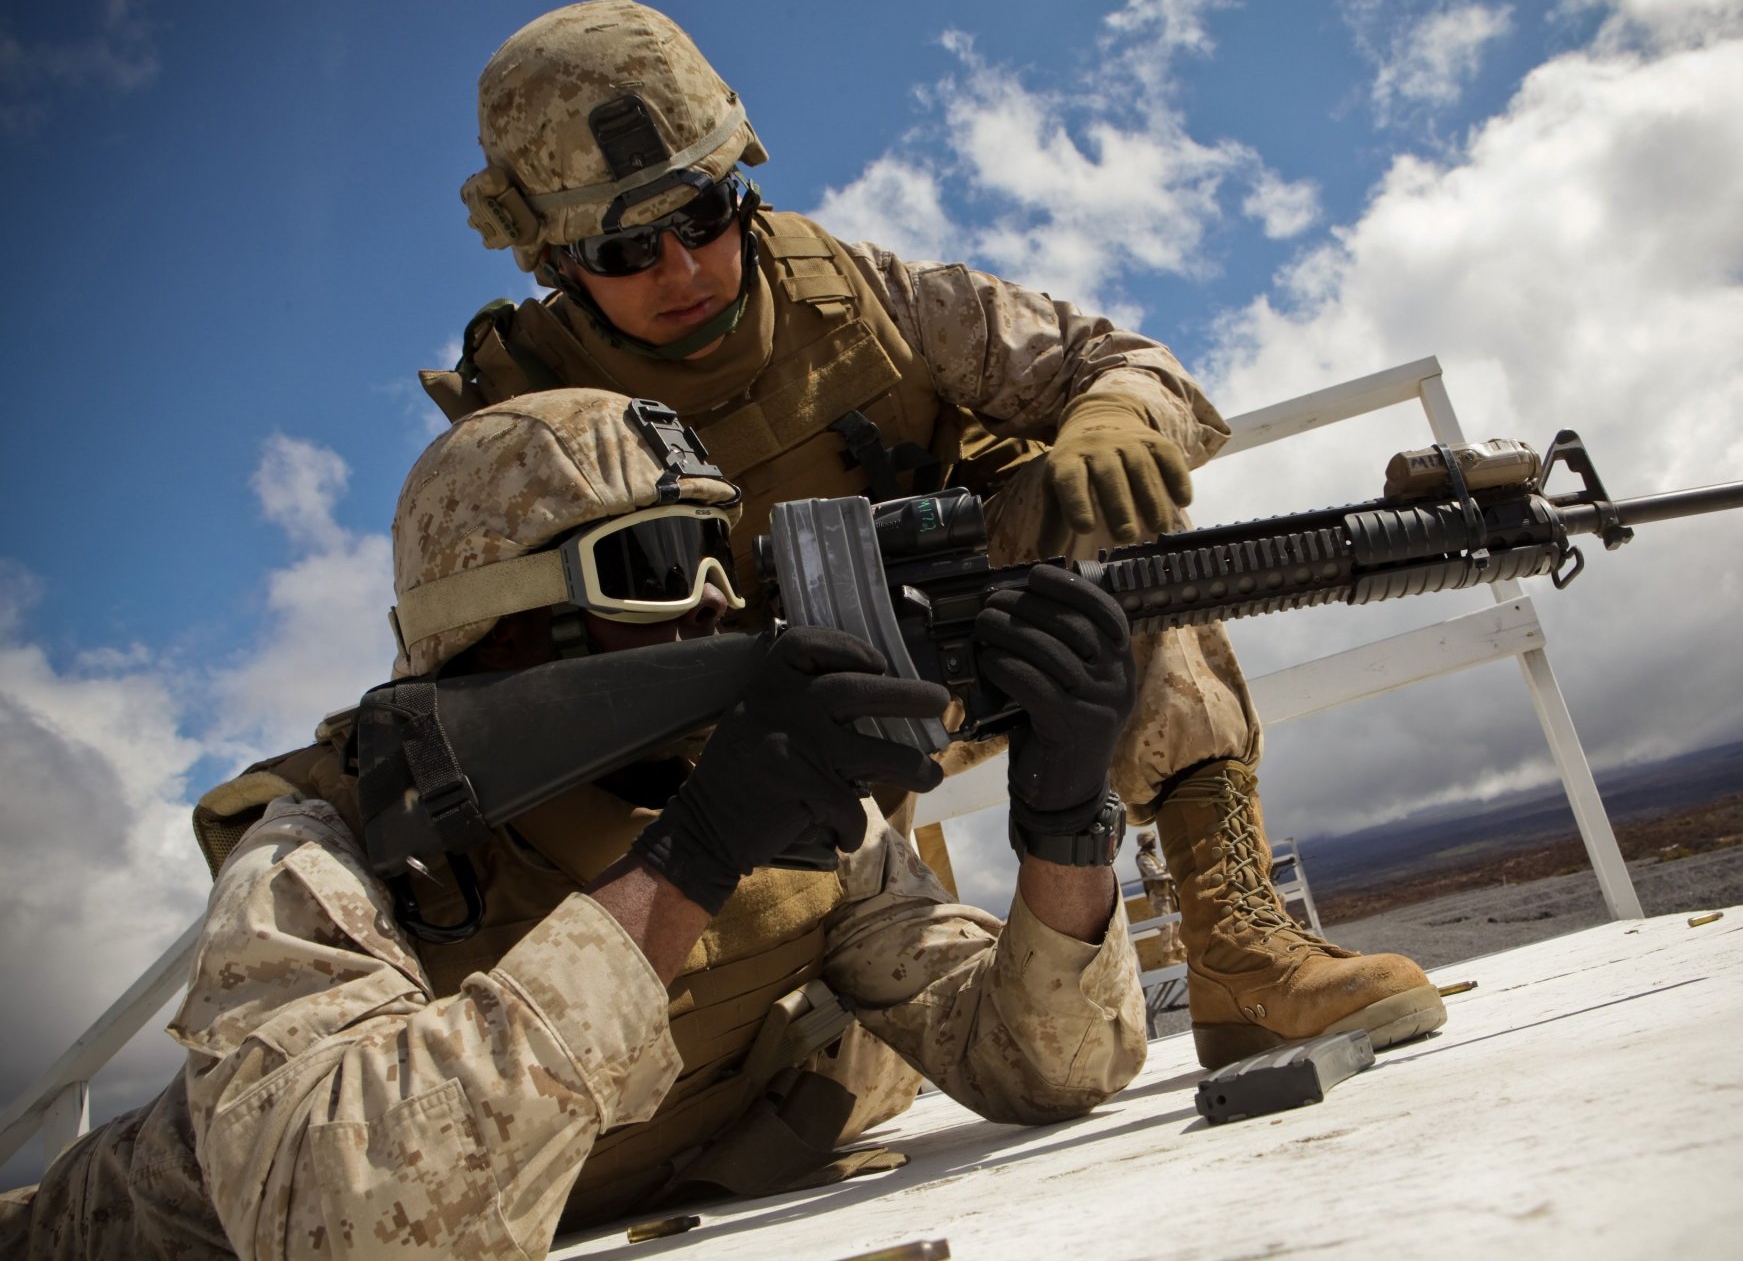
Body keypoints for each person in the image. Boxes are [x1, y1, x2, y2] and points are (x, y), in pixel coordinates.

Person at [427, 0, 1445, 1067]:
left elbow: (1117, 359)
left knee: (1101, 524)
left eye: (704, 212)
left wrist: (1116, 417)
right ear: (551, 256)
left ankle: (1239, 948)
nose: (682, 269)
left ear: (742, 183)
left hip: (967, 651)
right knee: (831, 1063)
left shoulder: (857, 293)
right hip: (733, 776)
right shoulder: (520, 425)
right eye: (626, 245)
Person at [0, 388, 1149, 1259]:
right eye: (653, 563)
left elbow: (1053, 1066)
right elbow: (338, 1224)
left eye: (715, 557)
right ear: (496, 620)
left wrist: (1063, 817)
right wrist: (691, 855)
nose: (712, 600)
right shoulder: (326, 852)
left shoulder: (794, 810)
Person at [1133, 827, 1187, 967]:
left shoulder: (1152, 856)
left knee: (1176, 922)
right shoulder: (1143, 858)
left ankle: (1179, 951)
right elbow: (1155, 874)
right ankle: (1168, 956)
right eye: (1152, 840)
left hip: (1167, 892)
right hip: (1158, 895)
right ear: (1147, 841)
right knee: (1166, 925)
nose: (1155, 842)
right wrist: (1171, 875)